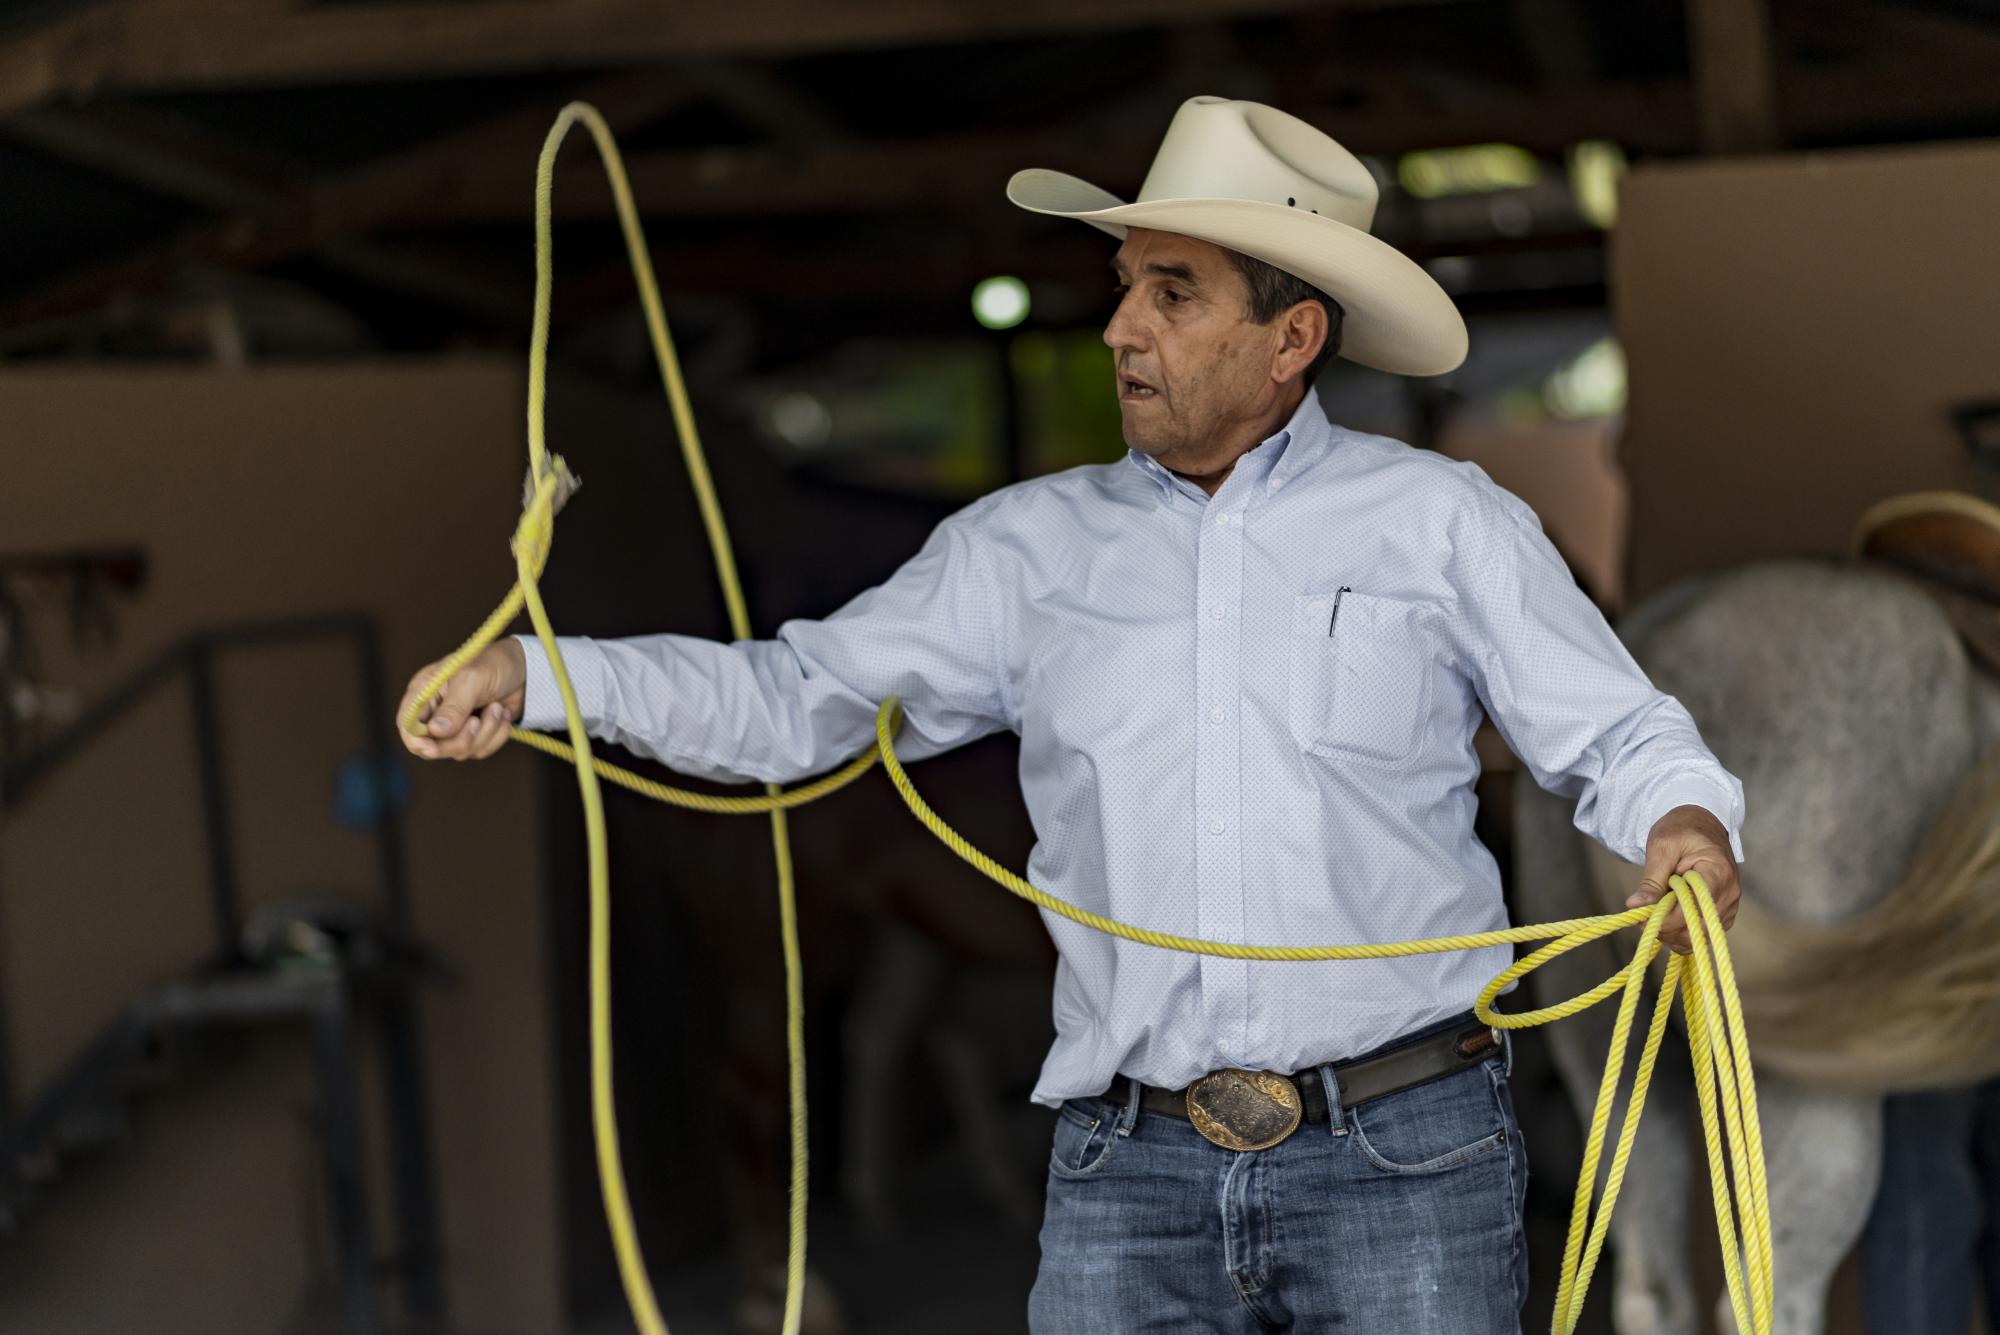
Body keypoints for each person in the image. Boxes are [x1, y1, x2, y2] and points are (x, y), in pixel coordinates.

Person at [397, 96, 1745, 1334]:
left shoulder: (1443, 525)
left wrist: (1679, 823)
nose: (1121, 328)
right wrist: (547, 678)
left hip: (1406, 1154)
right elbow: (796, 699)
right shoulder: (1022, 552)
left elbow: (1618, 736)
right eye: (1124, 289)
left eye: (1174, 292)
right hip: (1129, 1171)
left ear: (1292, 338)